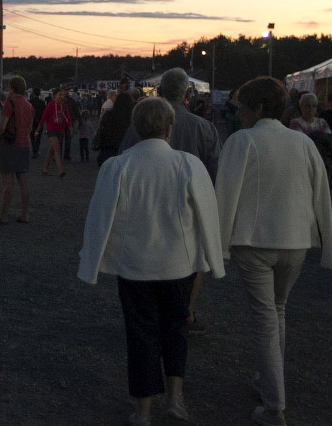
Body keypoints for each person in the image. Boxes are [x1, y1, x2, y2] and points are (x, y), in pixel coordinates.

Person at [78, 97, 224, 426]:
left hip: (134, 267)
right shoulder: (189, 165)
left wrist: (91, 263)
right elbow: (208, 216)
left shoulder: (116, 166)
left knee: (141, 333)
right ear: (169, 127)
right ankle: (175, 398)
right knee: (176, 328)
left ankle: (142, 411)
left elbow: (99, 218)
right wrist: (214, 259)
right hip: (179, 266)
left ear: (136, 127)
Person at [215, 77, 332, 426]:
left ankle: (274, 407)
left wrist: (217, 246)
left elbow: (226, 194)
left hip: (253, 242)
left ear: (256, 108)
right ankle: (269, 382)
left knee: (266, 320)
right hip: (296, 241)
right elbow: (321, 193)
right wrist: (326, 242)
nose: (238, 113)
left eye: (242, 107)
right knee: (278, 311)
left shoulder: (243, 141)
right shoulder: (302, 142)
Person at [119, 68, 222, 333]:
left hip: (149, 203)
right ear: (188, 93)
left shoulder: (138, 126)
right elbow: (215, 172)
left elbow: (124, 162)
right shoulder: (204, 128)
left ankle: (154, 311)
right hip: (191, 204)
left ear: (161, 92)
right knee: (194, 259)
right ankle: (186, 310)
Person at [0, 76, 34, 224]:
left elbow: (2, 126)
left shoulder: (9, 103)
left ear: (11, 88)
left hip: (9, 145)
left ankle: (3, 216)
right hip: (24, 144)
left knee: (7, 182)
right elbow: (29, 129)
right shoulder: (29, 105)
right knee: (23, 180)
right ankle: (25, 214)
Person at [93, 91, 135, 165]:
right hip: (127, 153)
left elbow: (103, 131)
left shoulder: (109, 115)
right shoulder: (132, 118)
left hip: (108, 151)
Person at [35, 89, 69, 177]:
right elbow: (43, 117)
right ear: (54, 96)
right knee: (57, 148)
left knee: (51, 150)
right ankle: (60, 170)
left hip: (60, 130)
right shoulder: (50, 105)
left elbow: (67, 117)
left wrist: (70, 128)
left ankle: (45, 168)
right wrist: (37, 130)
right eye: (59, 94)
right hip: (51, 129)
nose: (61, 96)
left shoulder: (63, 106)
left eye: (62, 95)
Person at [62, 89, 82, 162]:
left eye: (67, 91)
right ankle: (58, 155)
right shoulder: (60, 100)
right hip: (61, 123)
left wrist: (80, 121)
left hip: (70, 122)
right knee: (59, 140)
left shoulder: (72, 101)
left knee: (68, 139)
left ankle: (66, 155)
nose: (66, 93)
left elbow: (76, 110)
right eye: (65, 91)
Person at [29, 87, 46, 158]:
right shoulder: (42, 102)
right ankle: (36, 150)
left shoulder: (30, 102)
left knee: (32, 137)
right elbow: (44, 112)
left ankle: (34, 151)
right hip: (39, 121)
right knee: (38, 137)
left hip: (32, 121)